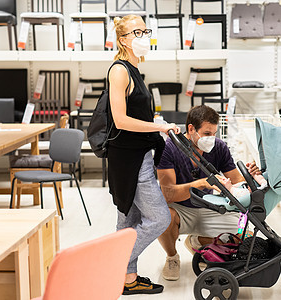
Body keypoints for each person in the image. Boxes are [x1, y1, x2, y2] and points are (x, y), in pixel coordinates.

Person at [108, 15, 180, 295]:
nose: (144, 35)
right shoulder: (119, 71)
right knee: (159, 218)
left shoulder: (134, 69)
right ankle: (113, 263)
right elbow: (120, 120)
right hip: (130, 160)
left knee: (128, 220)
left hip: (138, 154)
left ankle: (127, 280)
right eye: (136, 32)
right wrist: (159, 126)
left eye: (145, 30)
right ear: (123, 39)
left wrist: (155, 127)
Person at [156, 105, 260, 281]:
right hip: (180, 209)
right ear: (191, 129)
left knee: (243, 234)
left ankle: (197, 242)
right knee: (161, 215)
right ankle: (172, 257)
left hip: (209, 206)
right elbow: (167, 194)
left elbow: (237, 180)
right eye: (206, 134)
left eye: (214, 133)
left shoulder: (219, 147)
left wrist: (251, 176)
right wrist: (202, 183)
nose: (211, 138)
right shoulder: (170, 149)